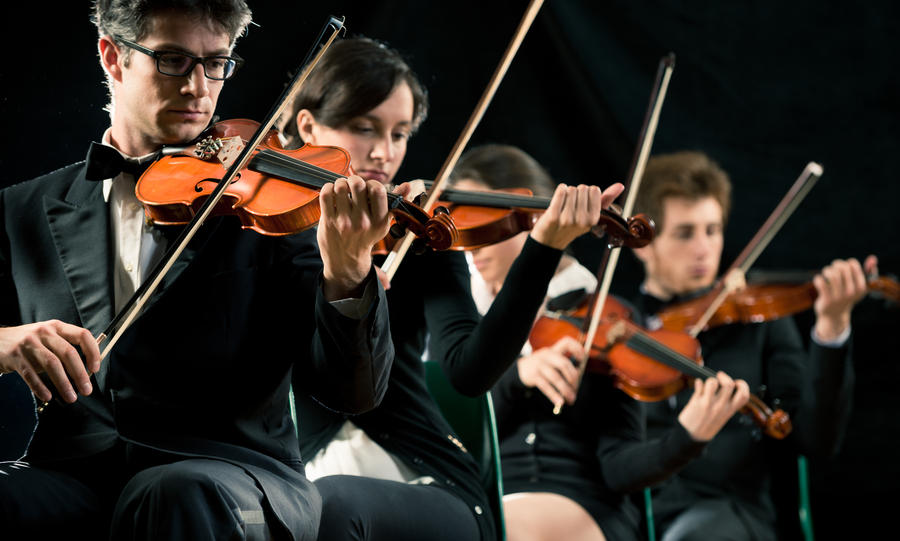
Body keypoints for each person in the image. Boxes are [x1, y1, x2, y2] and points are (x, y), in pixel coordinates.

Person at [0, 2, 395, 539]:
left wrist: (347, 274)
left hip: (232, 474)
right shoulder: (21, 208)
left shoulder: (267, 197)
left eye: (216, 63)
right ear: (112, 57)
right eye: (172, 60)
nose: (198, 87)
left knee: (172, 493)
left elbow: (352, 393)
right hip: (74, 471)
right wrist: (5, 343)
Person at [279, 37, 625, 541]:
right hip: (298, 468)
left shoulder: (421, 240)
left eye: (399, 134)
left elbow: (470, 370)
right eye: (363, 128)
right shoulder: (267, 238)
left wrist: (544, 246)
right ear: (307, 126)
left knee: (331, 507)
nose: (385, 153)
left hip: (424, 480)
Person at [455, 143, 754, 541]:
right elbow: (446, 429)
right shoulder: (461, 319)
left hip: (579, 502)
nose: (471, 240)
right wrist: (518, 375)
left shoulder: (605, 317)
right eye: (463, 223)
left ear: (534, 220)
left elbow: (618, 467)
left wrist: (685, 439)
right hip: (485, 495)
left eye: (487, 223)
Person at [629, 150, 874, 541]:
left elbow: (814, 439)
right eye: (685, 233)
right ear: (641, 242)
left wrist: (832, 328)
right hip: (631, 516)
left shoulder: (761, 324)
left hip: (727, 513)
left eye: (713, 230)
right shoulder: (619, 325)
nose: (704, 249)